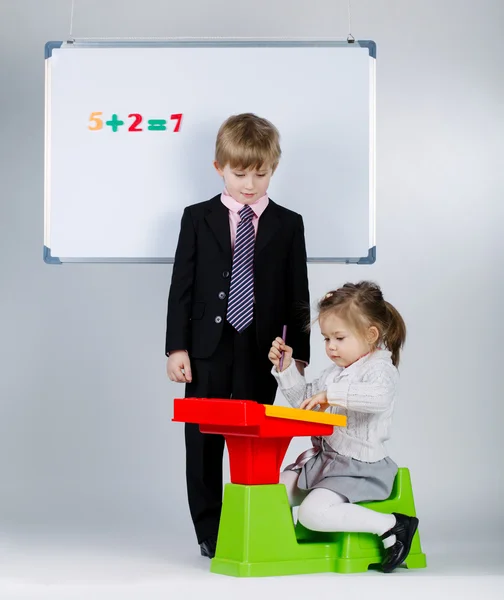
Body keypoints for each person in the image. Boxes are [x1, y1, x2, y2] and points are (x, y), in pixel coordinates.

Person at [165, 113, 310, 558]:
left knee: (254, 443)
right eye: (239, 173)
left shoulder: (289, 223)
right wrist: (176, 348)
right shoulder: (197, 218)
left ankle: (251, 520)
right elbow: (181, 287)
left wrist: (298, 355)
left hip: (262, 351)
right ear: (219, 168)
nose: (249, 184)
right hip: (207, 350)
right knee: (202, 444)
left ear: (274, 168)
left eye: (260, 173)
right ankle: (209, 531)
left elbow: (297, 293)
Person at [268, 281, 418, 573]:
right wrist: (286, 368)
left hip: (359, 467)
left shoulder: (380, 369)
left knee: (313, 513)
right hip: (327, 462)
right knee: (277, 491)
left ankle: (393, 525)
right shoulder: (334, 373)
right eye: (325, 339)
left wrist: (331, 396)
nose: (331, 347)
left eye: (338, 337)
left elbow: (378, 398)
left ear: (370, 334)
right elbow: (304, 401)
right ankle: (283, 549)